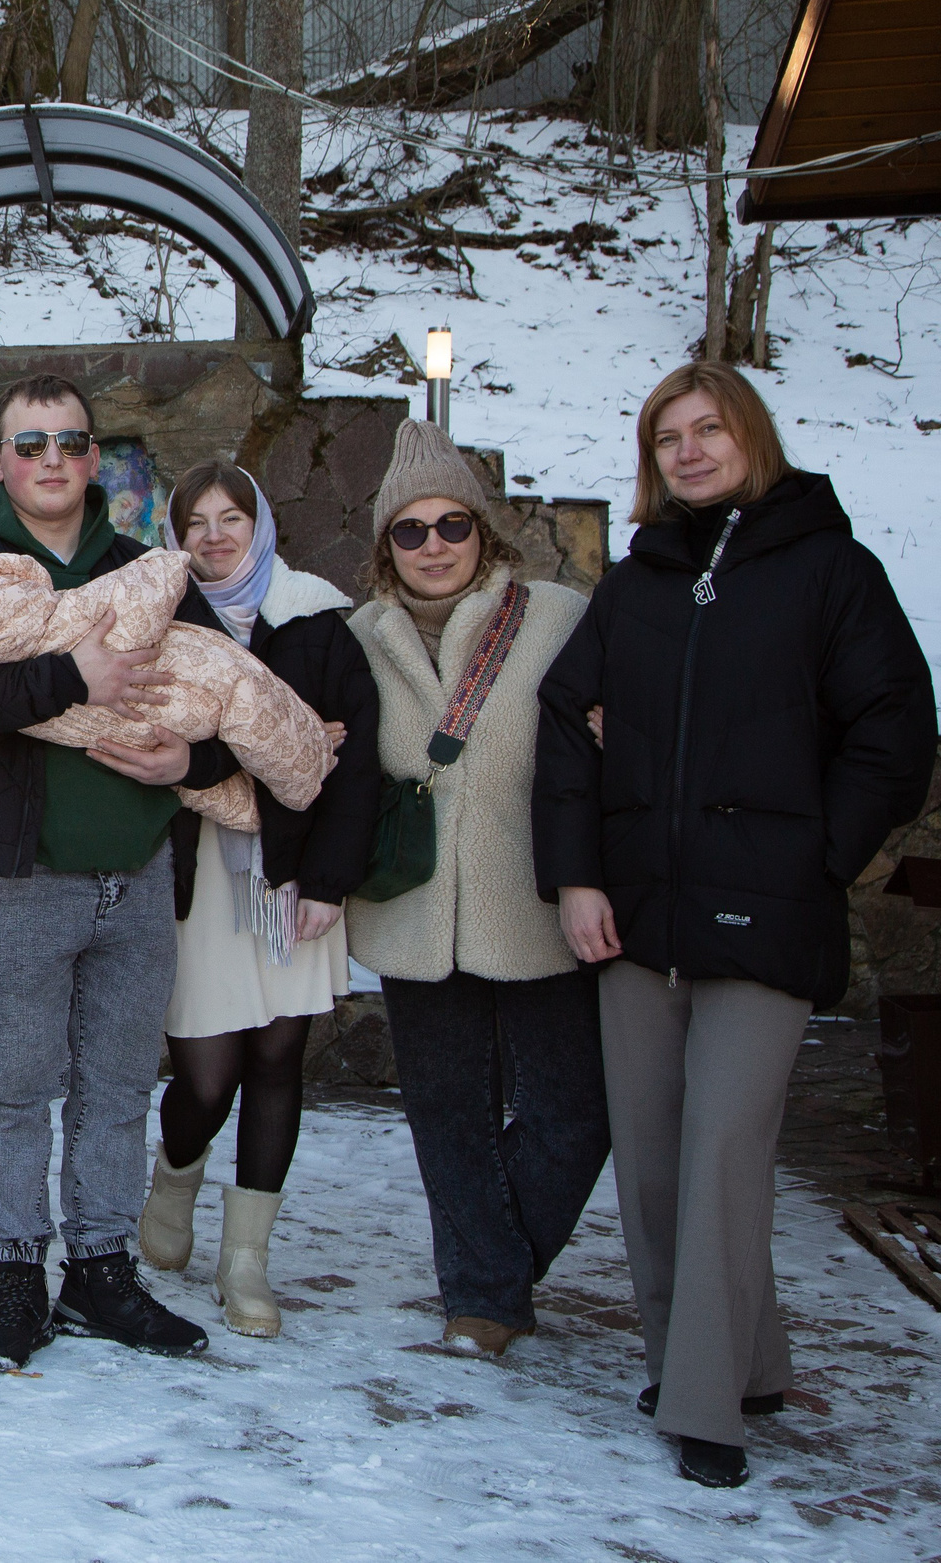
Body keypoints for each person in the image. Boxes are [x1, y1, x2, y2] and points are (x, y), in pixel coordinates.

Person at [535, 363, 933, 1489]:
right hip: (635, 914)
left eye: (709, 430)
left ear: (749, 434)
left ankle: (702, 1403)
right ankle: (733, 1358)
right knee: (655, 1161)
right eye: (669, 438)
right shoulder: (638, 581)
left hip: (764, 914)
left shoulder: (829, 570)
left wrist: (813, 853)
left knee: (721, 1150)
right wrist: (576, 880)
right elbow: (565, 725)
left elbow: (895, 732)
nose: (691, 452)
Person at [0, 373, 240, 1373]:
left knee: (120, 1085)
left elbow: (233, 699)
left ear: (95, 459)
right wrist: (69, 678)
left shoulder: (146, 571)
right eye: (30, 444)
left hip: (133, 877)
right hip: (17, 879)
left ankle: (101, 1272)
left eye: (70, 443)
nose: (52, 460)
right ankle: (15, 1278)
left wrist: (194, 765)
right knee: (14, 1088)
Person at [344, 417, 603, 1362]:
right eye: (410, 531)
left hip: (532, 903)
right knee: (447, 1110)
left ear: (483, 531)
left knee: (576, 1112)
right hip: (415, 908)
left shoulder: (560, 618)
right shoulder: (357, 637)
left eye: (452, 524)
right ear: (386, 546)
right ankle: (482, 1301)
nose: (434, 546)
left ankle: (494, 1269)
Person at [141, 460, 380, 1339]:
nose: (212, 534)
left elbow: (354, 766)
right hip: (200, 875)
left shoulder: (316, 618)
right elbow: (158, 738)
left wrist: (327, 885)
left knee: (279, 1064)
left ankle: (247, 1261)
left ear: (260, 522)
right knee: (206, 1075)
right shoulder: (164, 622)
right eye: (194, 521)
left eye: (230, 516)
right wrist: (286, 741)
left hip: (293, 875)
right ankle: (174, 1176)